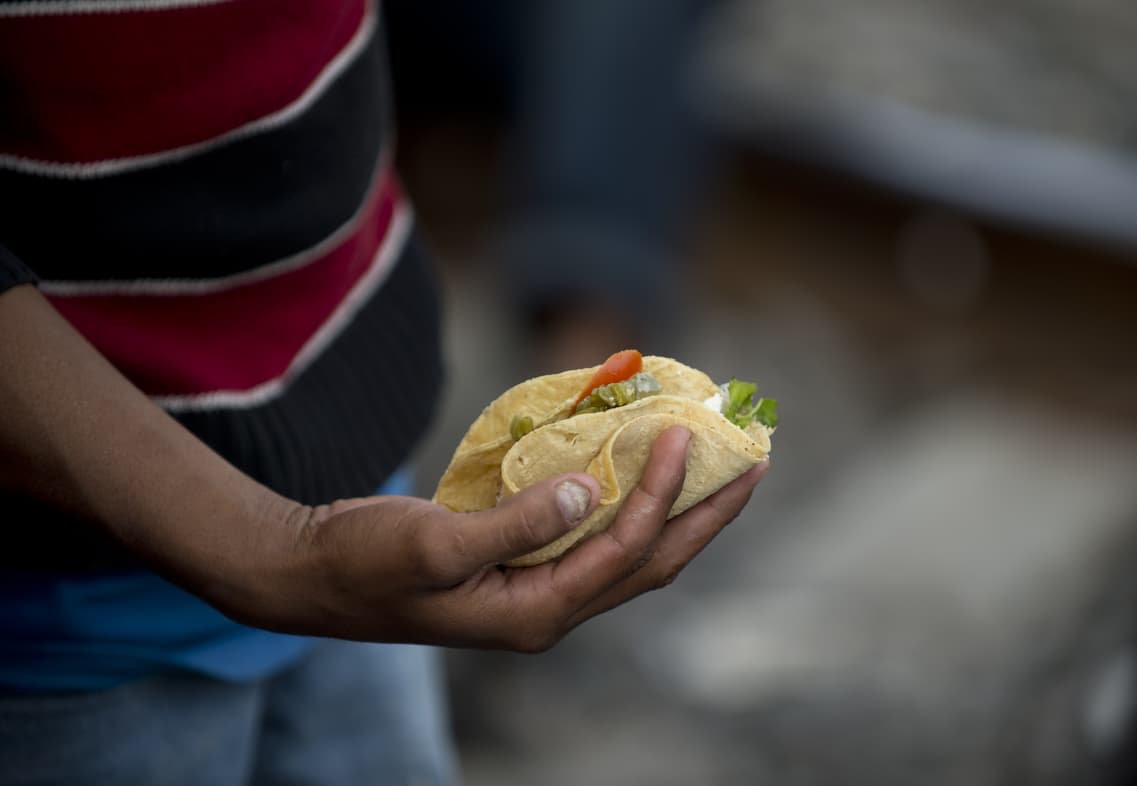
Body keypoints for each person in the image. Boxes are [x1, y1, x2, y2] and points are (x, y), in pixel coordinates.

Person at [0, 2, 767, 784]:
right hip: (68, 631)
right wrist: (273, 547)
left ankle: (587, 342)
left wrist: (300, 544)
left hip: (363, 508)